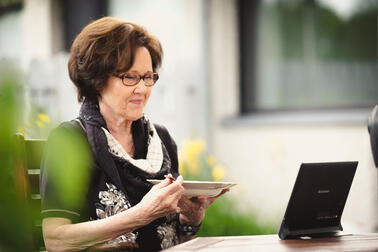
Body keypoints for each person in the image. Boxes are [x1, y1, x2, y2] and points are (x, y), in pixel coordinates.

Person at [40, 17, 228, 251]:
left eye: (148, 77)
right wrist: (140, 215)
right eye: (129, 77)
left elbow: (177, 243)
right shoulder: (70, 140)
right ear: (97, 79)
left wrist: (190, 221)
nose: (142, 89)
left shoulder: (161, 139)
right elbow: (55, 240)